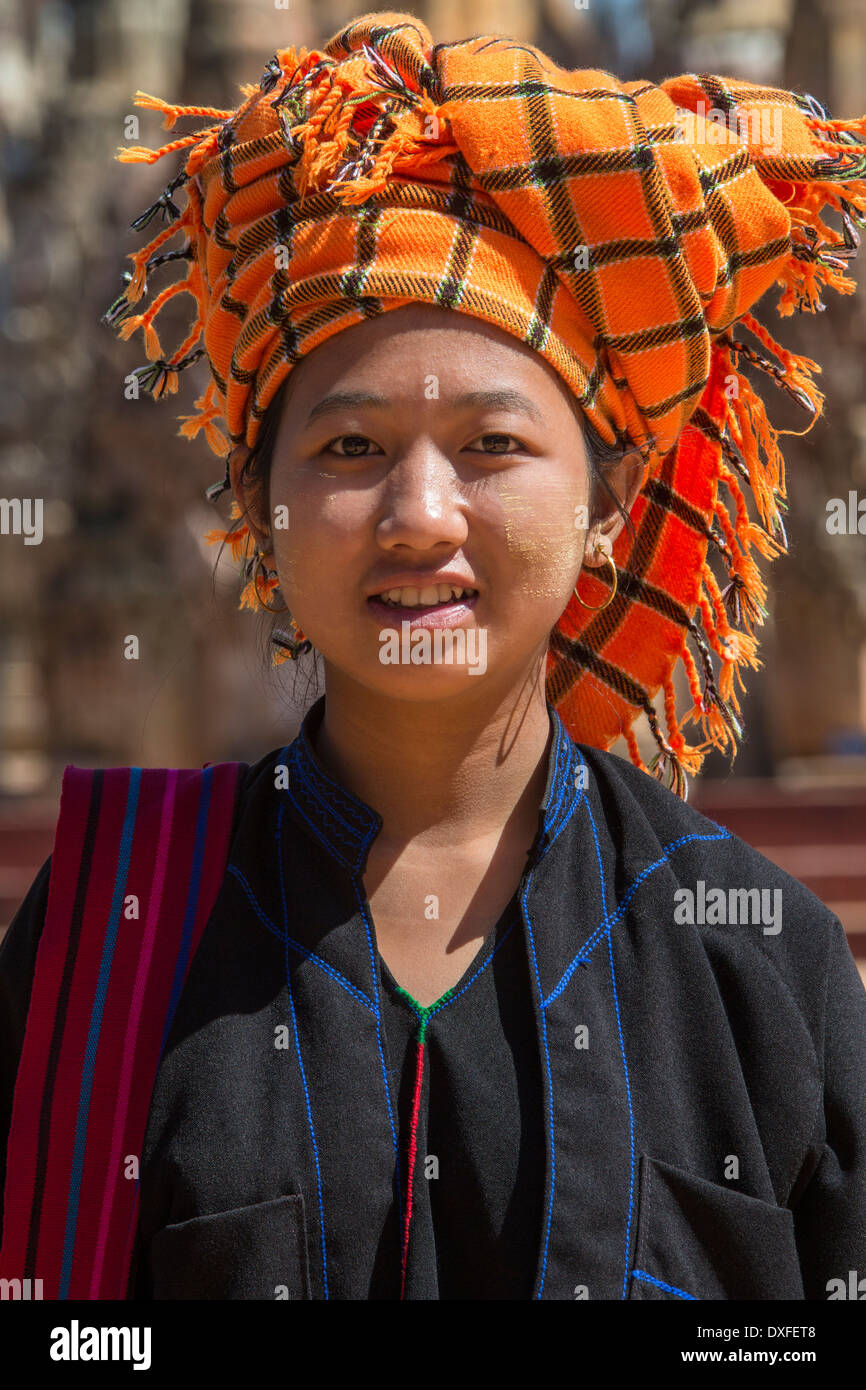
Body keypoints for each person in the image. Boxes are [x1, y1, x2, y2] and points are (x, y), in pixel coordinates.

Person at [1, 10, 865, 1302]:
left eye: (493, 445)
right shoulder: (113, 925)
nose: (418, 516)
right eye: (348, 448)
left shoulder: (749, 954)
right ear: (260, 503)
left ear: (609, 501)